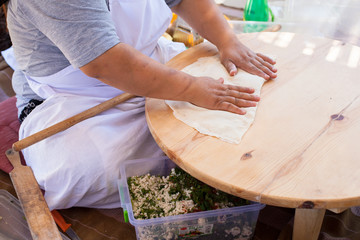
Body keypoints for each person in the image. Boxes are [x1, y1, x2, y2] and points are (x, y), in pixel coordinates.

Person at [6, 0, 277, 210]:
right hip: (75, 97)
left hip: (150, 60)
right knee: (91, 171)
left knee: (244, 94)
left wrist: (226, 40)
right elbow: (104, 63)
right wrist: (190, 88)